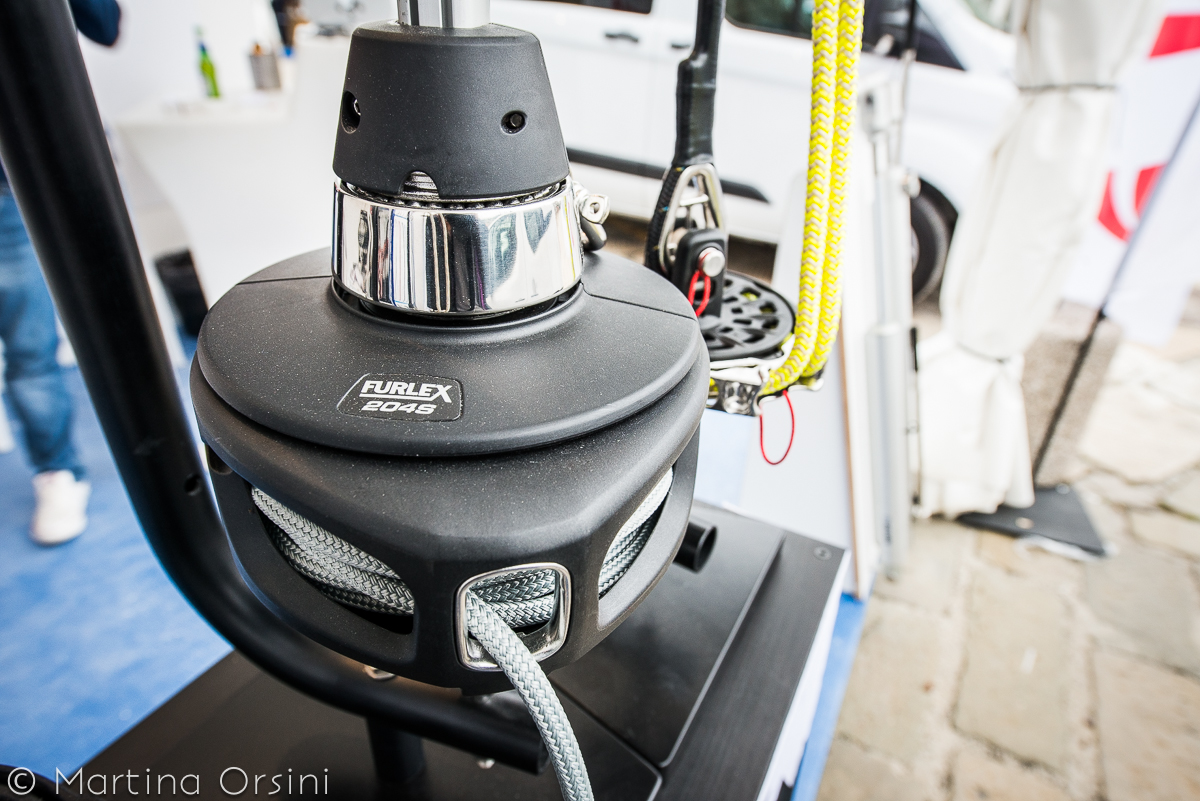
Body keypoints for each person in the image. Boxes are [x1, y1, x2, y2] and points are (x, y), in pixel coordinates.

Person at [0, 0, 121, 545]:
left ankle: (62, 469)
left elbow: (104, 24)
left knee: (38, 345)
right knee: (28, 347)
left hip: (30, 165)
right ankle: (55, 468)